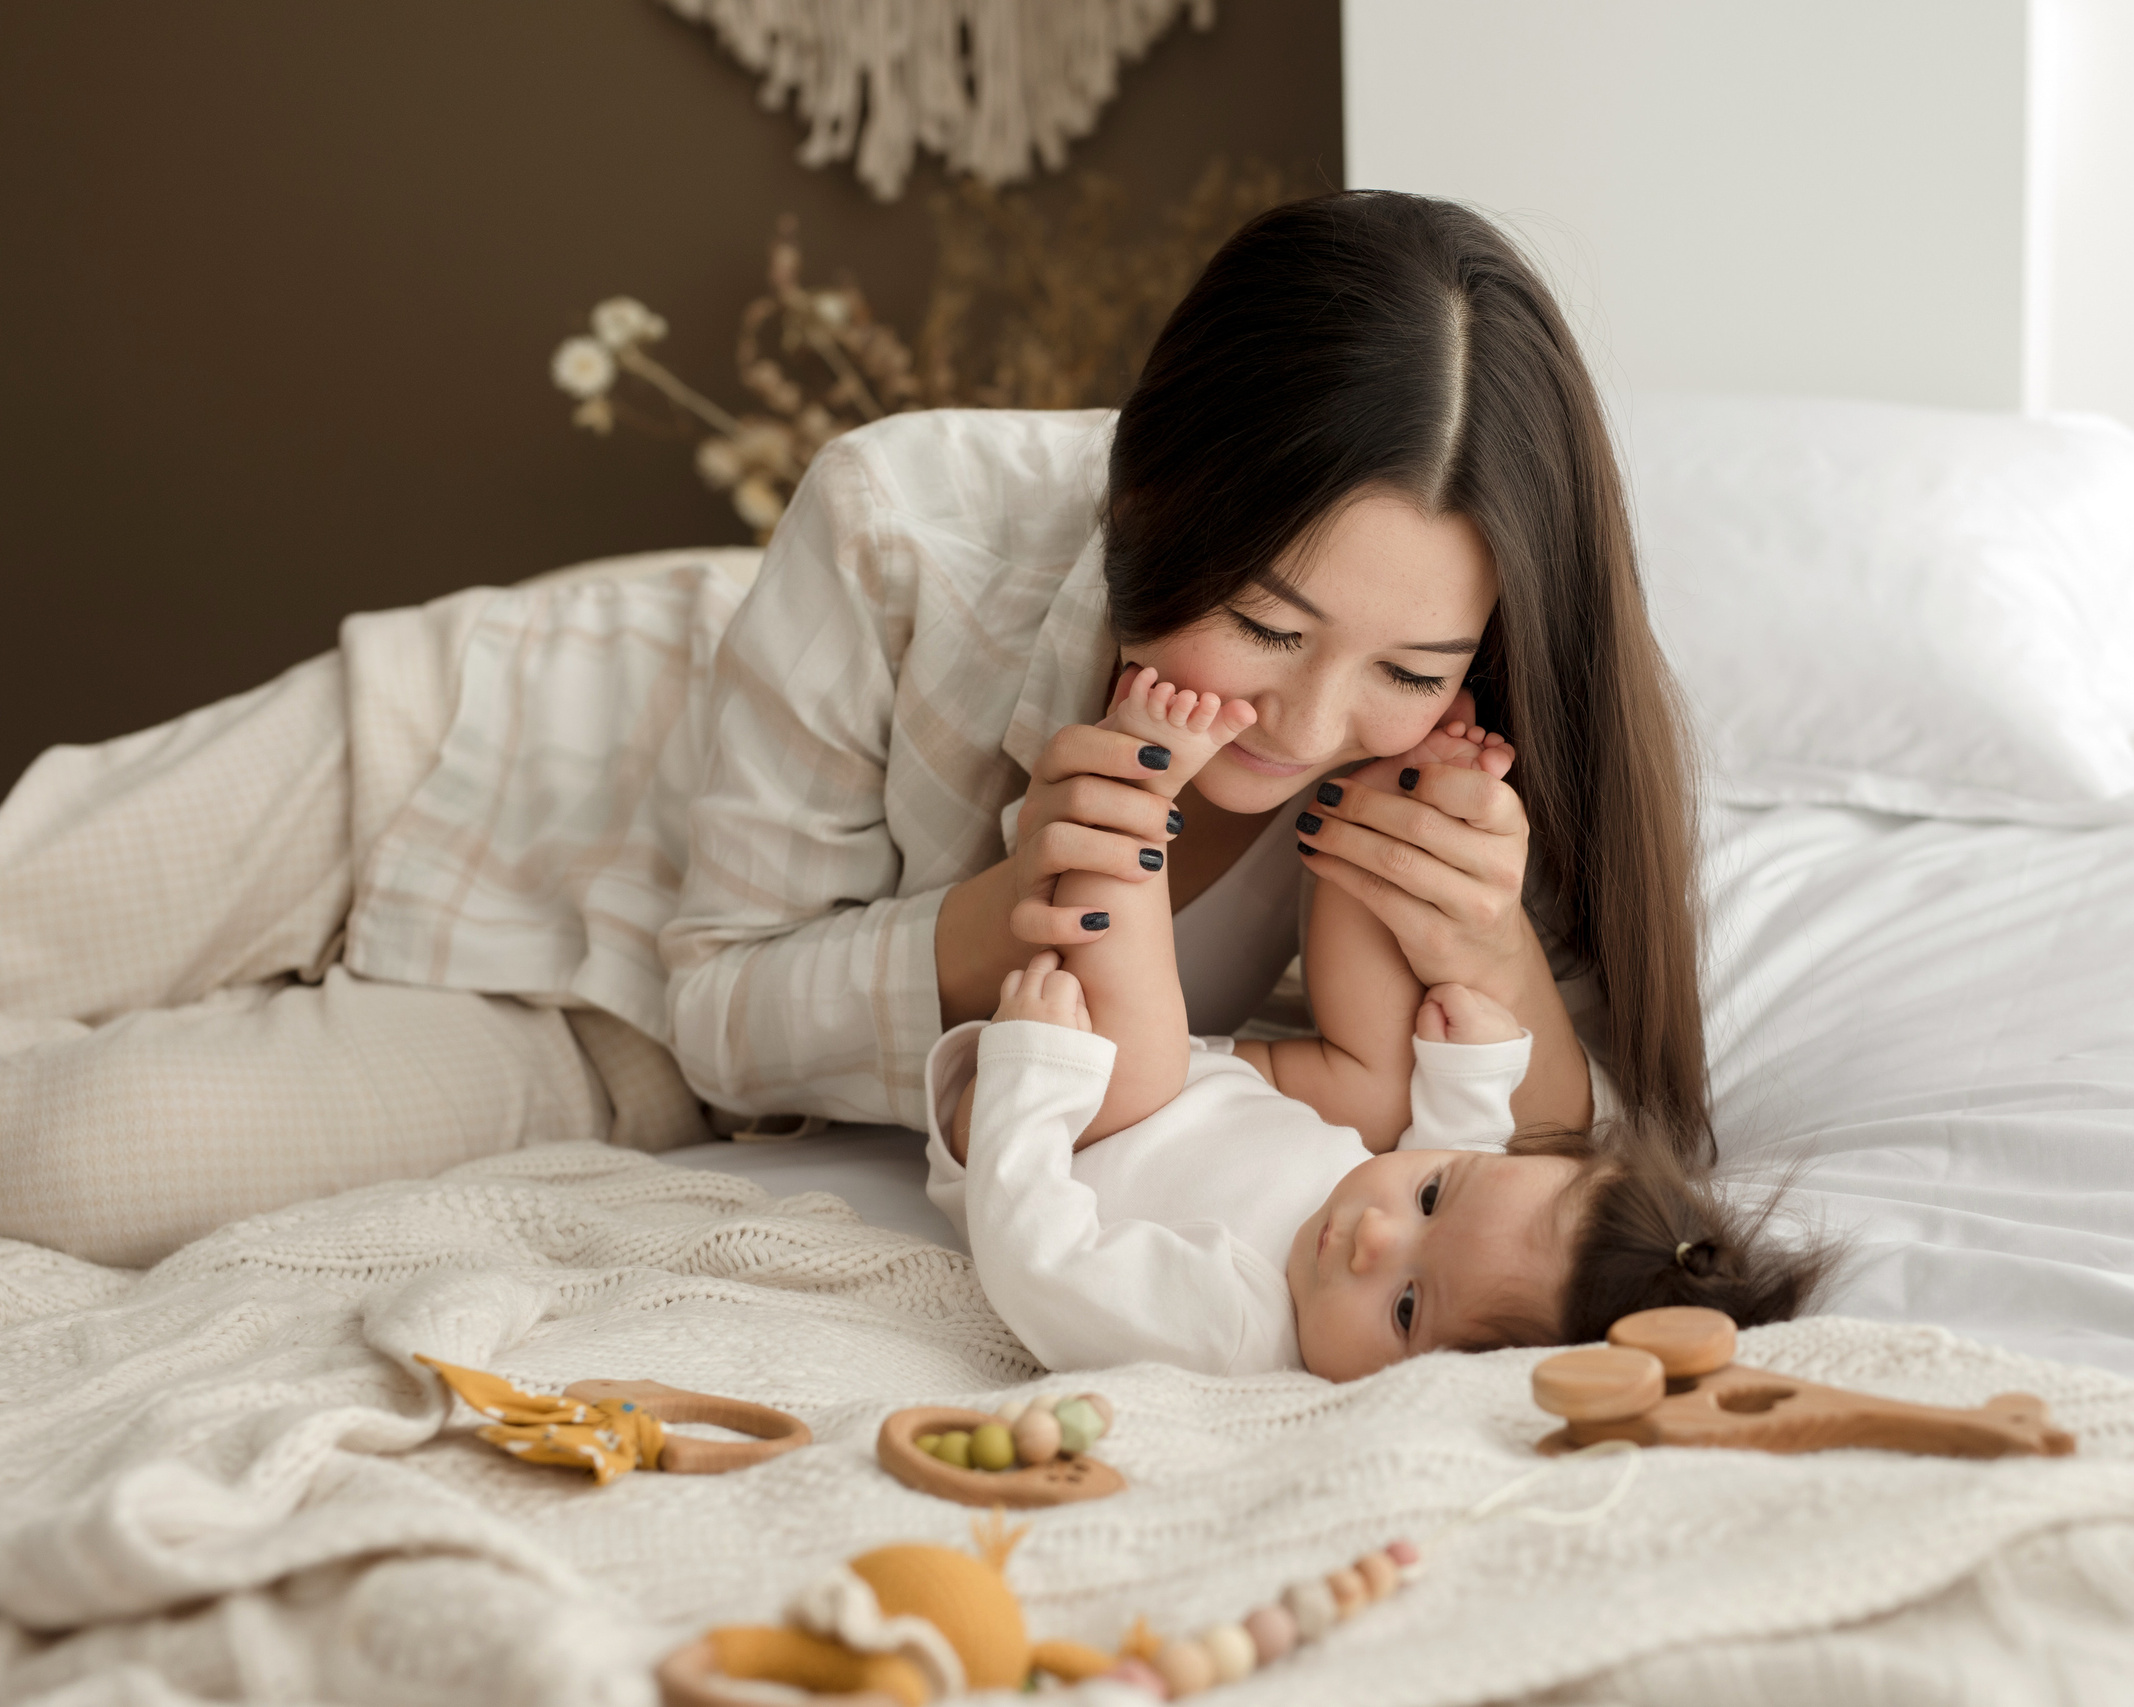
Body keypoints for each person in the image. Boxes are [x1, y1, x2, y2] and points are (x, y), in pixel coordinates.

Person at [0, 191, 1707, 1268]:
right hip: (490, 755)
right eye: (1263, 623)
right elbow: (742, 930)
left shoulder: (1485, 737)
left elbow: (1551, 1167)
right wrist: (1028, 888)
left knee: (57, 1160)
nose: (1312, 720)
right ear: (1155, 493)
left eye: (1406, 664)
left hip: (632, 1047)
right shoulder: (911, 516)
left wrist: (1482, 937)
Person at [932, 668, 1817, 1378]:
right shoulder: (1386, 1221)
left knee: (1145, 1056)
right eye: (1432, 1197)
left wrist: (1032, 1083)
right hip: (1222, 1096)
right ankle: (1389, 798)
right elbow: (1463, 1150)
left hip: (1072, 1124)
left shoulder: (1230, 1323)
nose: (1373, 1234)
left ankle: (1126, 785)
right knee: (1388, 1083)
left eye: (1405, 1307)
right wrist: (1467, 1074)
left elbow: (1039, 1263)